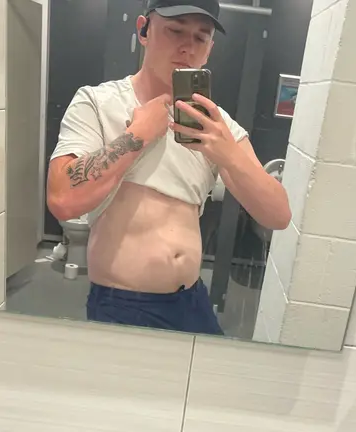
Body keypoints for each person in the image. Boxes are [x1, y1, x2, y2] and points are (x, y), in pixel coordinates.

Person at [47, 0, 292, 336]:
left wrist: (227, 153)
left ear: (209, 50)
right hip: (123, 303)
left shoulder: (218, 126)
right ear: (143, 30)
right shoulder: (98, 103)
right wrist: (137, 135)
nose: (187, 47)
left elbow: (278, 215)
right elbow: (62, 198)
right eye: (175, 31)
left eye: (200, 38)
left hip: (192, 299)